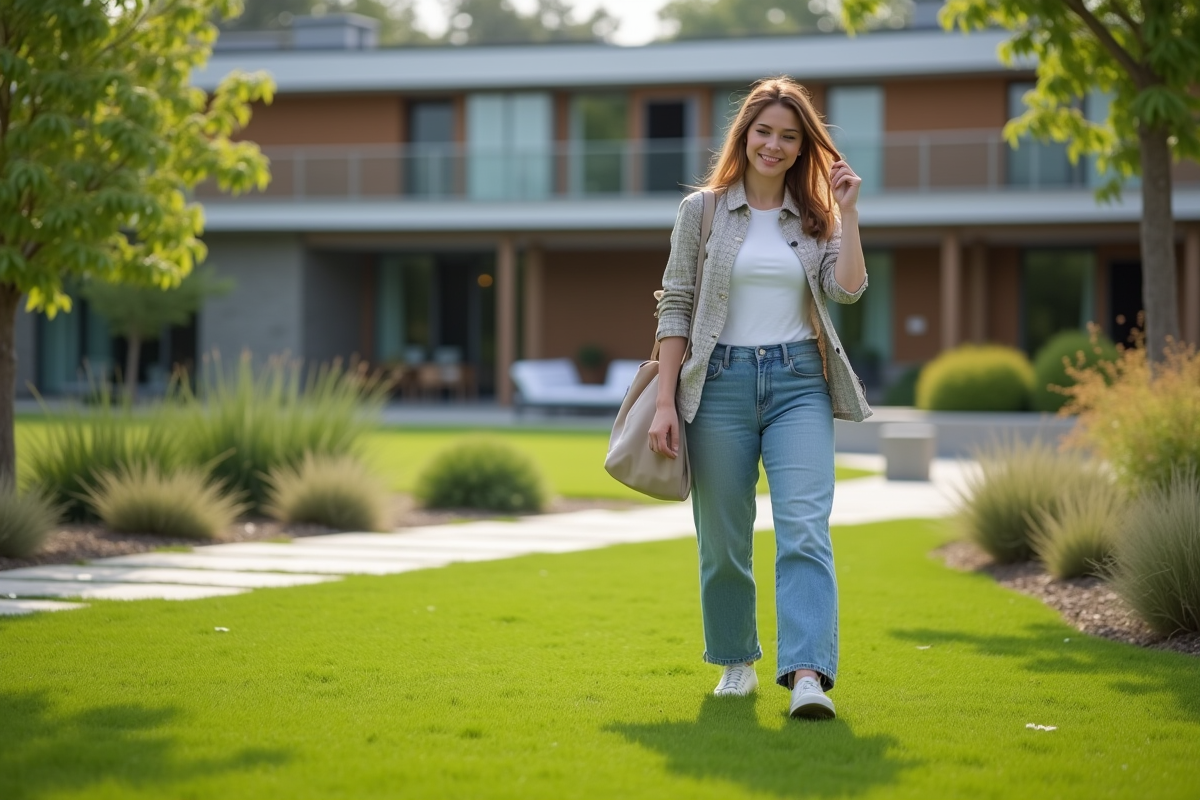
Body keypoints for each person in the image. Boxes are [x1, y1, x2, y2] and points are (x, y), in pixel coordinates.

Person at [649, 77, 871, 720]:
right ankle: (736, 662)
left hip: (800, 382)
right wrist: (666, 401)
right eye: (764, 131)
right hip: (717, 384)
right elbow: (678, 304)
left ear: (804, 149)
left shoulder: (817, 216)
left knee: (804, 529)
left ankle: (807, 674)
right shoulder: (704, 212)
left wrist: (850, 212)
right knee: (723, 539)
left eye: (789, 137)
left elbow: (849, 290)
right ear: (744, 135)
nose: (774, 145)